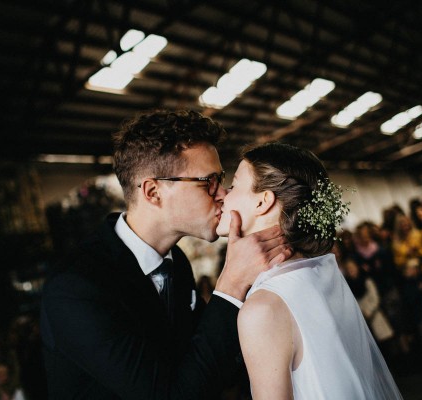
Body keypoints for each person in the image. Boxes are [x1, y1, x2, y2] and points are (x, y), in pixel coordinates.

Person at [39, 109, 291, 399]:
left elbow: (204, 364)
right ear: (153, 192)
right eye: (208, 181)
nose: (222, 194)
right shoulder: (76, 288)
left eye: (220, 180)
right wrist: (231, 284)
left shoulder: (176, 264)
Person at [215, 142, 402, 399]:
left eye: (234, 185)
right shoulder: (320, 274)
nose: (223, 194)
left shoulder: (264, 308)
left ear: (262, 202)